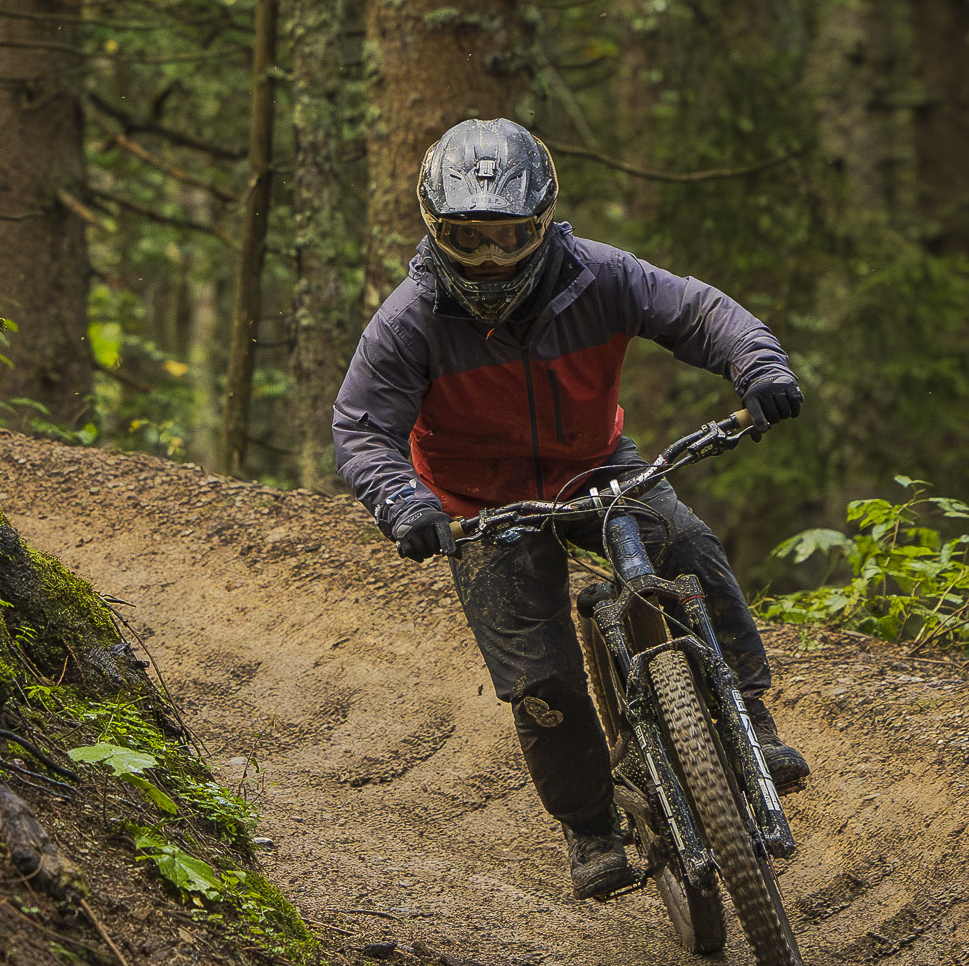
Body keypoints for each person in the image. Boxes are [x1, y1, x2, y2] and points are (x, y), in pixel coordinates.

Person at [331, 117, 808, 903]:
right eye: (467, 238)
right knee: (541, 678)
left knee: (688, 544)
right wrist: (402, 500)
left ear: (544, 222)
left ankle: (749, 716)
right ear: (435, 230)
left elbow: (700, 312)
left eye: (511, 235)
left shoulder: (599, 276)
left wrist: (758, 365)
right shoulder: (409, 319)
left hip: (597, 468)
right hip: (481, 504)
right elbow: (361, 428)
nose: (492, 258)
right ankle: (589, 825)